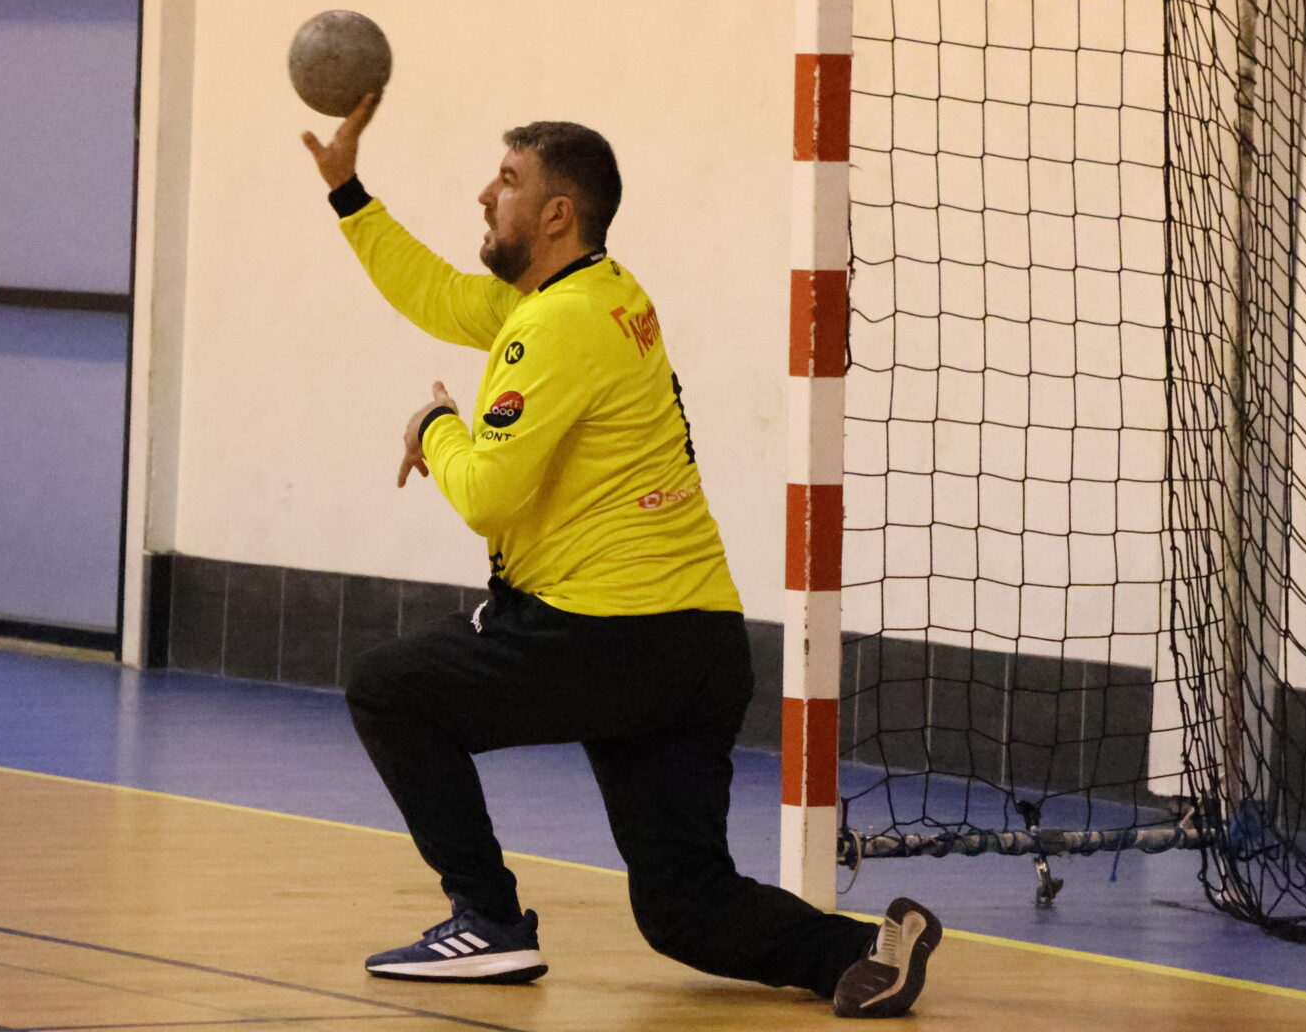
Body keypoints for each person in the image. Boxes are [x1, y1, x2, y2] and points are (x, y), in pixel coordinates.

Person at [300, 93, 941, 1018]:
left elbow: (486, 492)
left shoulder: (557, 327)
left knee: (389, 687)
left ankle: (487, 921)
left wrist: (435, 426)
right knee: (684, 907)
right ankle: (874, 949)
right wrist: (348, 193)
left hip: (607, 634)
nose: (486, 195)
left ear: (559, 214)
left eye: (508, 181)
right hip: (697, 645)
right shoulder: (599, 294)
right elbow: (437, 293)